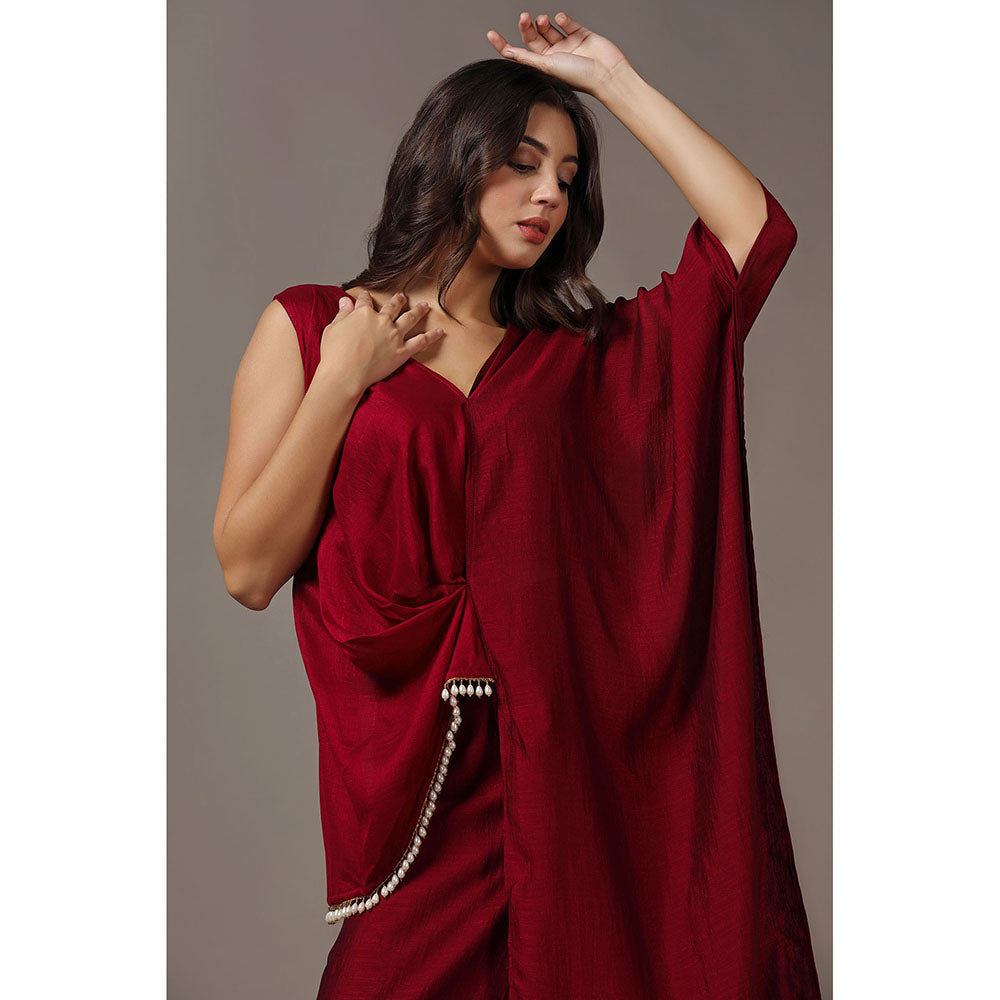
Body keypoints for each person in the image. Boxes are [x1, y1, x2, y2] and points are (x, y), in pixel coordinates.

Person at [213, 11, 823, 999]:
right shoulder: (313, 326)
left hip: (571, 787)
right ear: (452, 157)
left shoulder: (579, 361)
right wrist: (343, 380)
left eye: (569, 178)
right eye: (524, 162)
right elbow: (247, 569)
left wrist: (615, 82)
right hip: (422, 802)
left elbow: (753, 240)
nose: (549, 194)